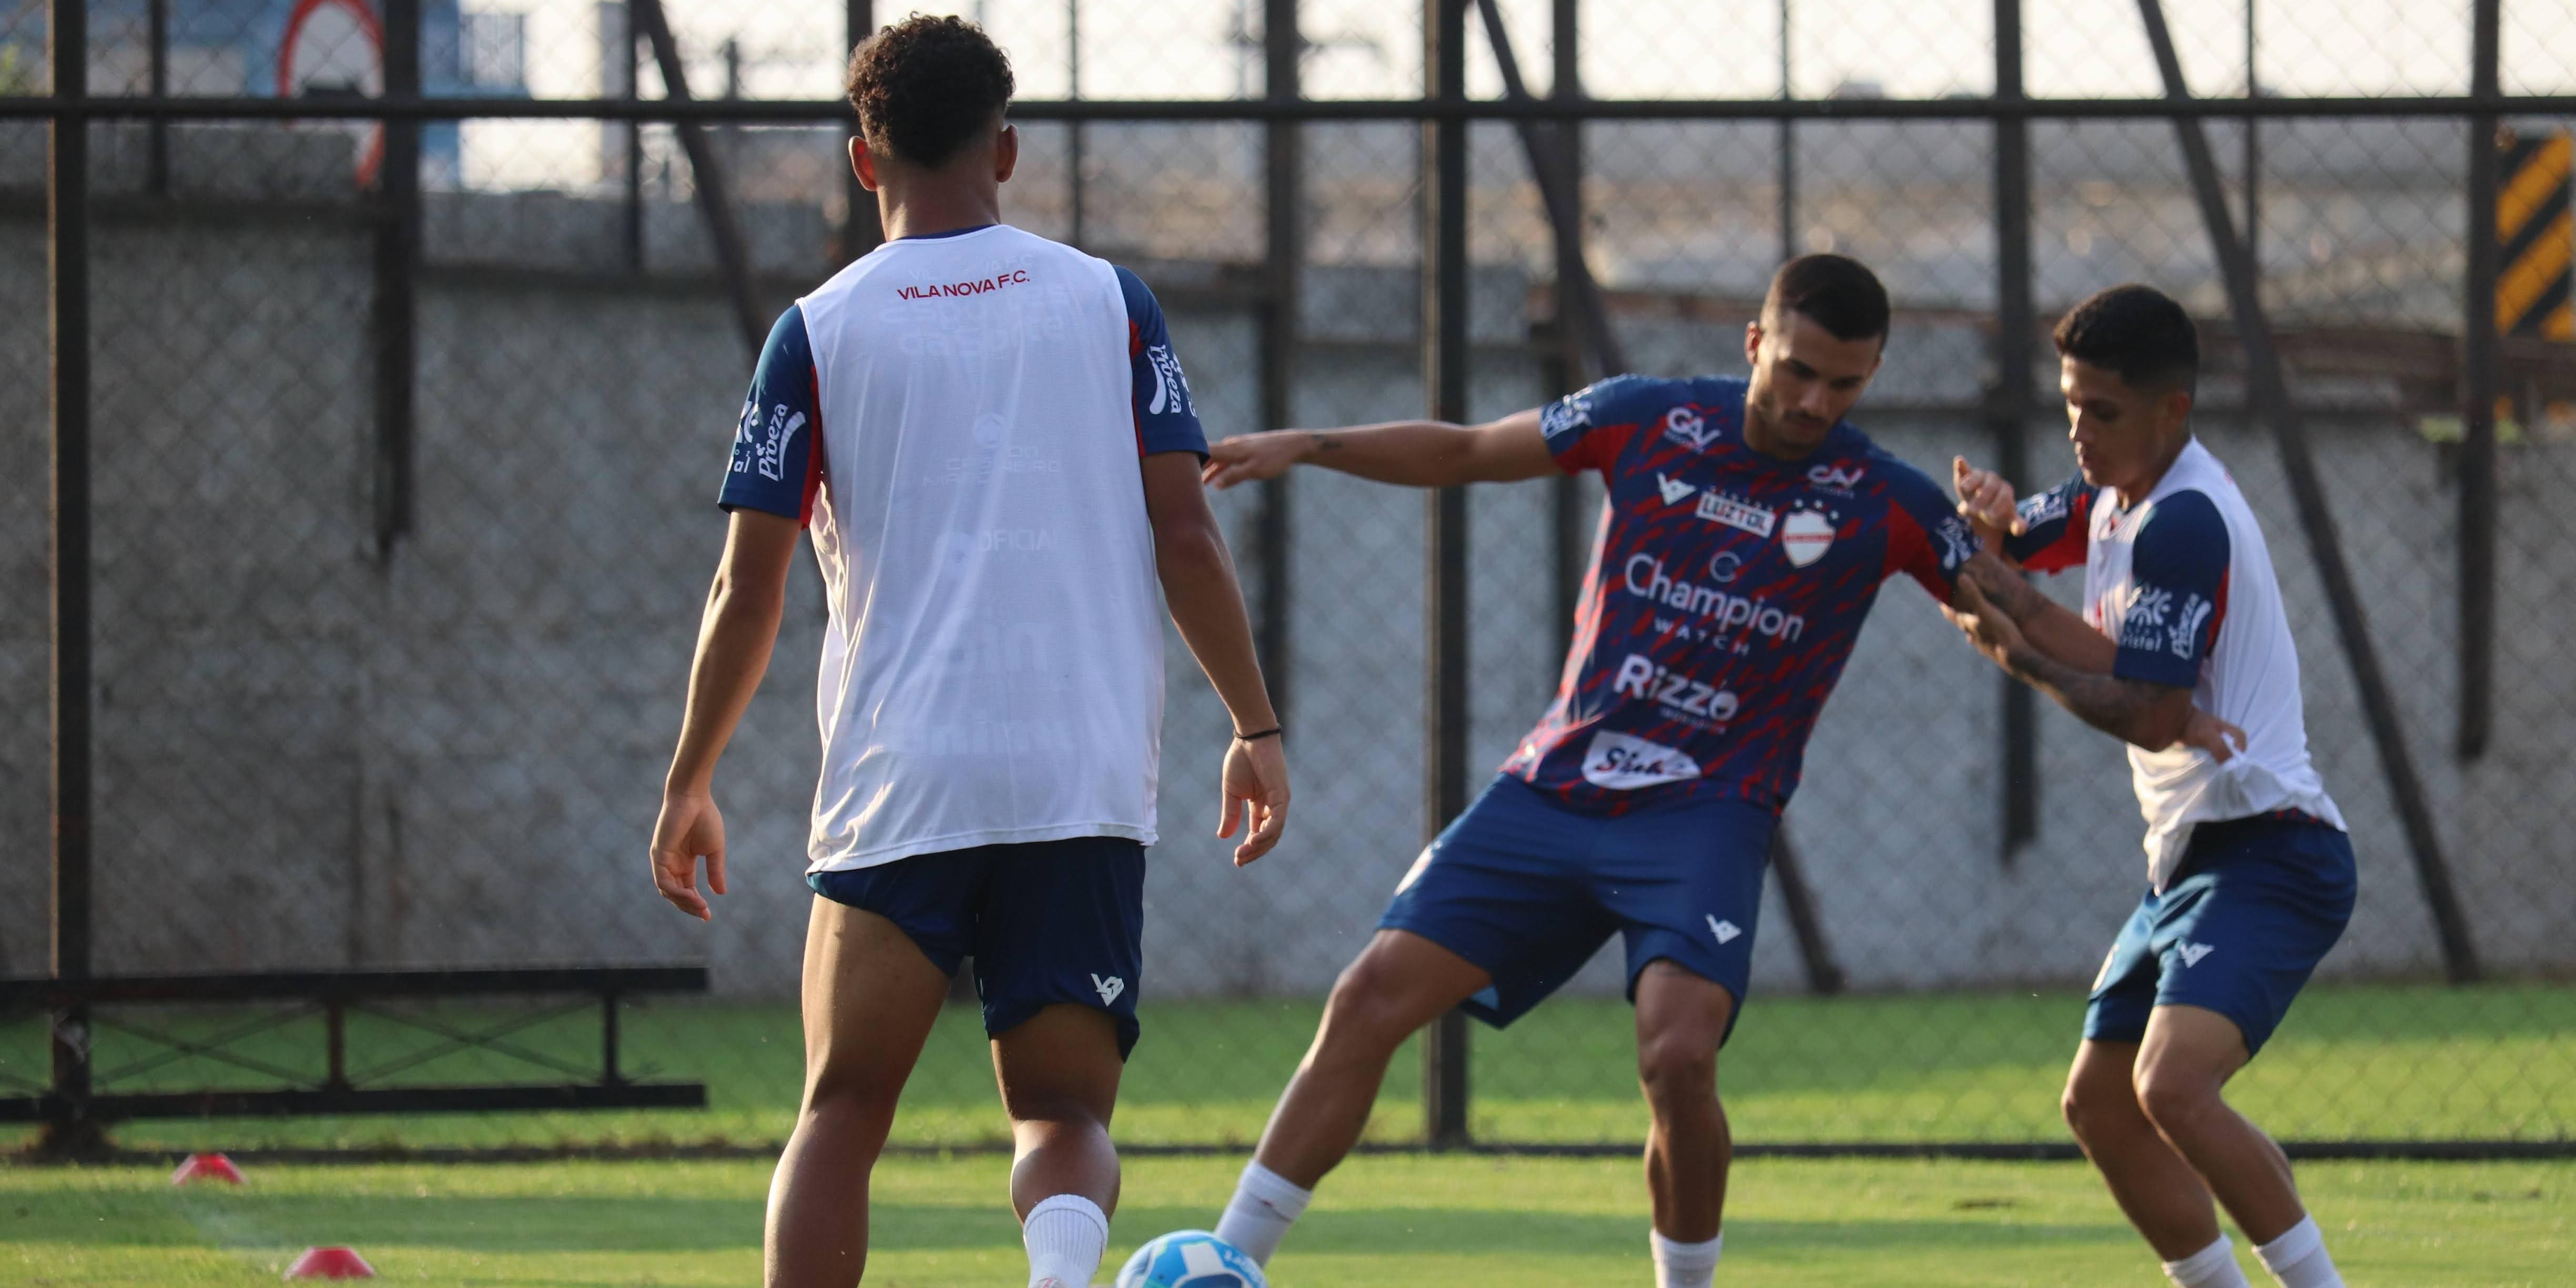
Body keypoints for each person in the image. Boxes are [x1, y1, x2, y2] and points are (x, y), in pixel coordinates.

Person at [1199, 255, 2029, 1287]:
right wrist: (1309, 444)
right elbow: (1465, 449)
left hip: (1706, 814)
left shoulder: (1881, 498)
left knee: (1677, 1055)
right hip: (1557, 786)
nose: (1817, 400)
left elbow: (2013, 615)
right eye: (1801, 370)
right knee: (1368, 995)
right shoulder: (1649, 418)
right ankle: (1227, 1262)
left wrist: (2003, 543)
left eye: (1845, 383)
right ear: (1755, 343)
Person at [644, 17, 1290, 1288]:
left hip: (904, 776)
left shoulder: (816, 331)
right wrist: (1255, 728)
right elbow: (1188, 536)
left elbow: (748, 582)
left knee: (841, 1110)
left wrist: (690, 778)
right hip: (1079, 771)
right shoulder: (1109, 299)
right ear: (1006, 146)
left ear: (858, 159)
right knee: (1063, 1113)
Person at [1944, 283, 2353, 1288]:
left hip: (2273, 847)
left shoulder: (2185, 523)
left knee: (2169, 1084)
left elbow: (2144, 710)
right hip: (2189, 860)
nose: (2078, 431)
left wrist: (2011, 630)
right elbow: (1993, 571)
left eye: (2104, 411)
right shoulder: (2106, 500)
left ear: (2173, 411)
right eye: (2071, 404)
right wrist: (1986, 531)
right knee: (2098, 1102)